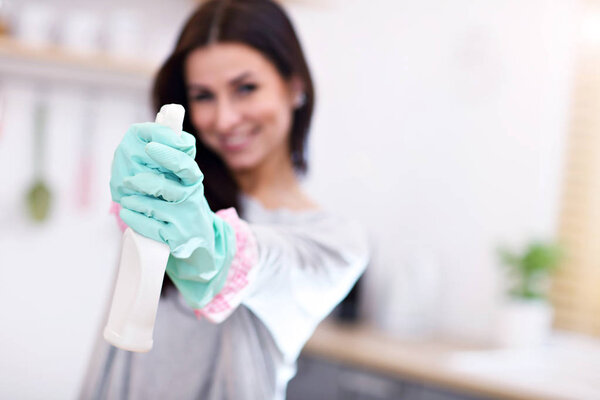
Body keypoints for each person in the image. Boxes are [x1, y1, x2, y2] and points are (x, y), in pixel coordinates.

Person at [80, 0, 369, 399]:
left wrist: (202, 240)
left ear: (294, 86)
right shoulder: (167, 197)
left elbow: (233, 262)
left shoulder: (334, 242)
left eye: (245, 88)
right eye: (203, 96)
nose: (224, 119)